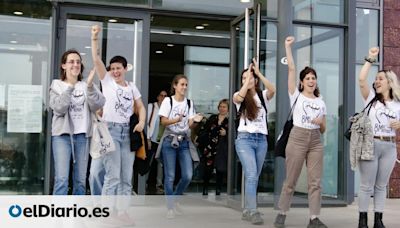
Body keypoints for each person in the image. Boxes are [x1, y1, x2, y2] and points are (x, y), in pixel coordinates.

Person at [90, 25, 146, 222]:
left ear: (124, 69)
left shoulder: (132, 87)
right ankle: (105, 212)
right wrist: (95, 38)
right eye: (112, 68)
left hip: (126, 133)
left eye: (118, 68)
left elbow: (141, 106)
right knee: (112, 176)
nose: (114, 71)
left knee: (125, 176)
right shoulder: (106, 82)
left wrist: (141, 122)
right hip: (110, 130)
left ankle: (122, 212)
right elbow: (96, 59)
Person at [274, 36, 327, 228]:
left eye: (313, 78)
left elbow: (324, 128)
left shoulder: (321, 101)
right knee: (291, 180)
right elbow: (291, 69)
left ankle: (314, 218)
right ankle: (282, 213)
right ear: (302, 82)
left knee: (315, 182)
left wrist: (320, 122)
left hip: (315, 140)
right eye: (308, 78)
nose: (311, 81)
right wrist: (288, 47)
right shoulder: (295, 95)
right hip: (297, 137)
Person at [49, 49, 105, 195]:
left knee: (80, 180)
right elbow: (59, 108)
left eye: (78, 62)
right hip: (62, 136)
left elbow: (98, 105)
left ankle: (77, 215)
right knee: (61, 179)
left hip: (83, 137)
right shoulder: (56, 85)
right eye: (71, 62)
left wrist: (91, 86)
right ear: (63, 66)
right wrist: (71, 86)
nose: (75, 64)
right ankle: (58, 216)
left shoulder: (87, 85)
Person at [356, 47, 400, 228]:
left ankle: (378, 221)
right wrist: (370, 59)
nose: (376, 81)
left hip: (389, 146)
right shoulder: (371, 99)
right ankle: (363, 221)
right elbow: (361, 79)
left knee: (381, 186)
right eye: (376, 79)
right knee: (367, 186)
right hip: (370, 144)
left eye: (380, 78)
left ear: (390, 82)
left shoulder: (398, 104)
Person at [233, 58, 275, 225]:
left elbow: (273, 89)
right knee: (251, 175)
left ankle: (247, 210)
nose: (247, 80)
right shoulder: (239, 96)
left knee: (254, 177)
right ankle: (252, 210)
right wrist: (247, 81)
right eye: (244, 78)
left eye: (250, 78)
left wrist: (258, 74)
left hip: (261, 140)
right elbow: (240, 96)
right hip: (244, 140)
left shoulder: (262, 96)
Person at [155, 74, 203, 218]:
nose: (184, 87)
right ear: (175, 86)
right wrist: (176, 119)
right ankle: (170, 207)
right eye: (182, 84)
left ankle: (175, 199)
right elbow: (163, 121)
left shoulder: (189, 103)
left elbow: (189, 124)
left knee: (188, 175)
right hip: (169, 140)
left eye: (186, 85)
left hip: (184, 141)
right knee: (169, 176)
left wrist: (196, 120)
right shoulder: (168, 101)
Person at [199, 99, 229, 196]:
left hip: (221, 148)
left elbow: (234, 135)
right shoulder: (212, 118)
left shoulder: (230, 120)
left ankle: (218, 189)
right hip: (210, 147)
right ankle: (205, 188)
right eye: (220, 106)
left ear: (228, 108)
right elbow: (205, 130)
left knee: (220, 169)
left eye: (224, 107)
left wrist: (226, 133)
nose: (222, 108)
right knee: (208, 169)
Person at [146, 90, 168, 194]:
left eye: (165, 96)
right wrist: (148, 138)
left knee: (161, 164)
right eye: (161, 95)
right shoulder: (151, 107)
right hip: (151, 140)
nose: (163, 98)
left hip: (162, 141)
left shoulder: (168, 109)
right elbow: (146, 122)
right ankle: (144, 184)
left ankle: (159, 185)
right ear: (158, 97)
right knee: (148, 162)